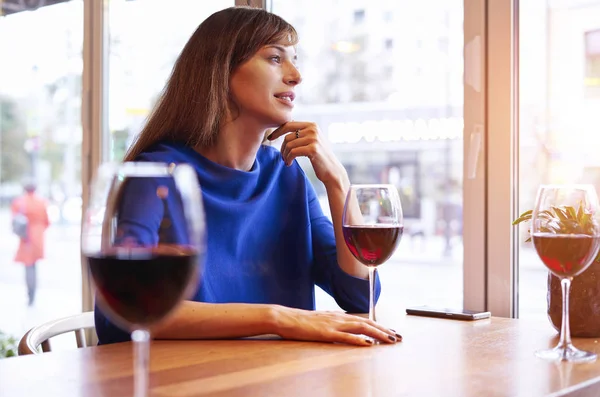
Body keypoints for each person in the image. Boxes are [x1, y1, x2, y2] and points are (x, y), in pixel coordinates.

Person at [95, 6, 401, 347]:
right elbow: (123, 309)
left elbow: (359, 294)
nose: (295, 75)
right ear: (221, 70)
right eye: (275, 58)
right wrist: (277, 318)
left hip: (271, 379)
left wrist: (337, 182)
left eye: (295, 59)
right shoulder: (156, 176)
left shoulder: (285, 174)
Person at [11, 182, 50, 306]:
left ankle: (30, 293)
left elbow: (14, 221)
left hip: (26, 238)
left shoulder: (19, 202)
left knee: (28, 266)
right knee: (33, 265)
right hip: (38, 237)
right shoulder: (41, 202)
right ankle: (33, 292)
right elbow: (47, 221)